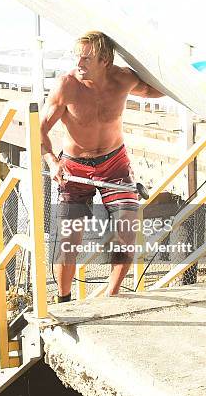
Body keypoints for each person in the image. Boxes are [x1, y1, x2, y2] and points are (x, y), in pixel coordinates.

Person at [40, 31, 163, 301]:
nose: (79, 64)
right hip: (74, 168)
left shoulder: (123, 79)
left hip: (115, 164)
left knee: (127, 234)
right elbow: (40, 131)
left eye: (87, 58)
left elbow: (159, 89)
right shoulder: (67, 86)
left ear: (105, 60)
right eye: (77, 57)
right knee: (68, 241)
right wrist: (52, 161)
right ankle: (64, 299)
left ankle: (111, 297)